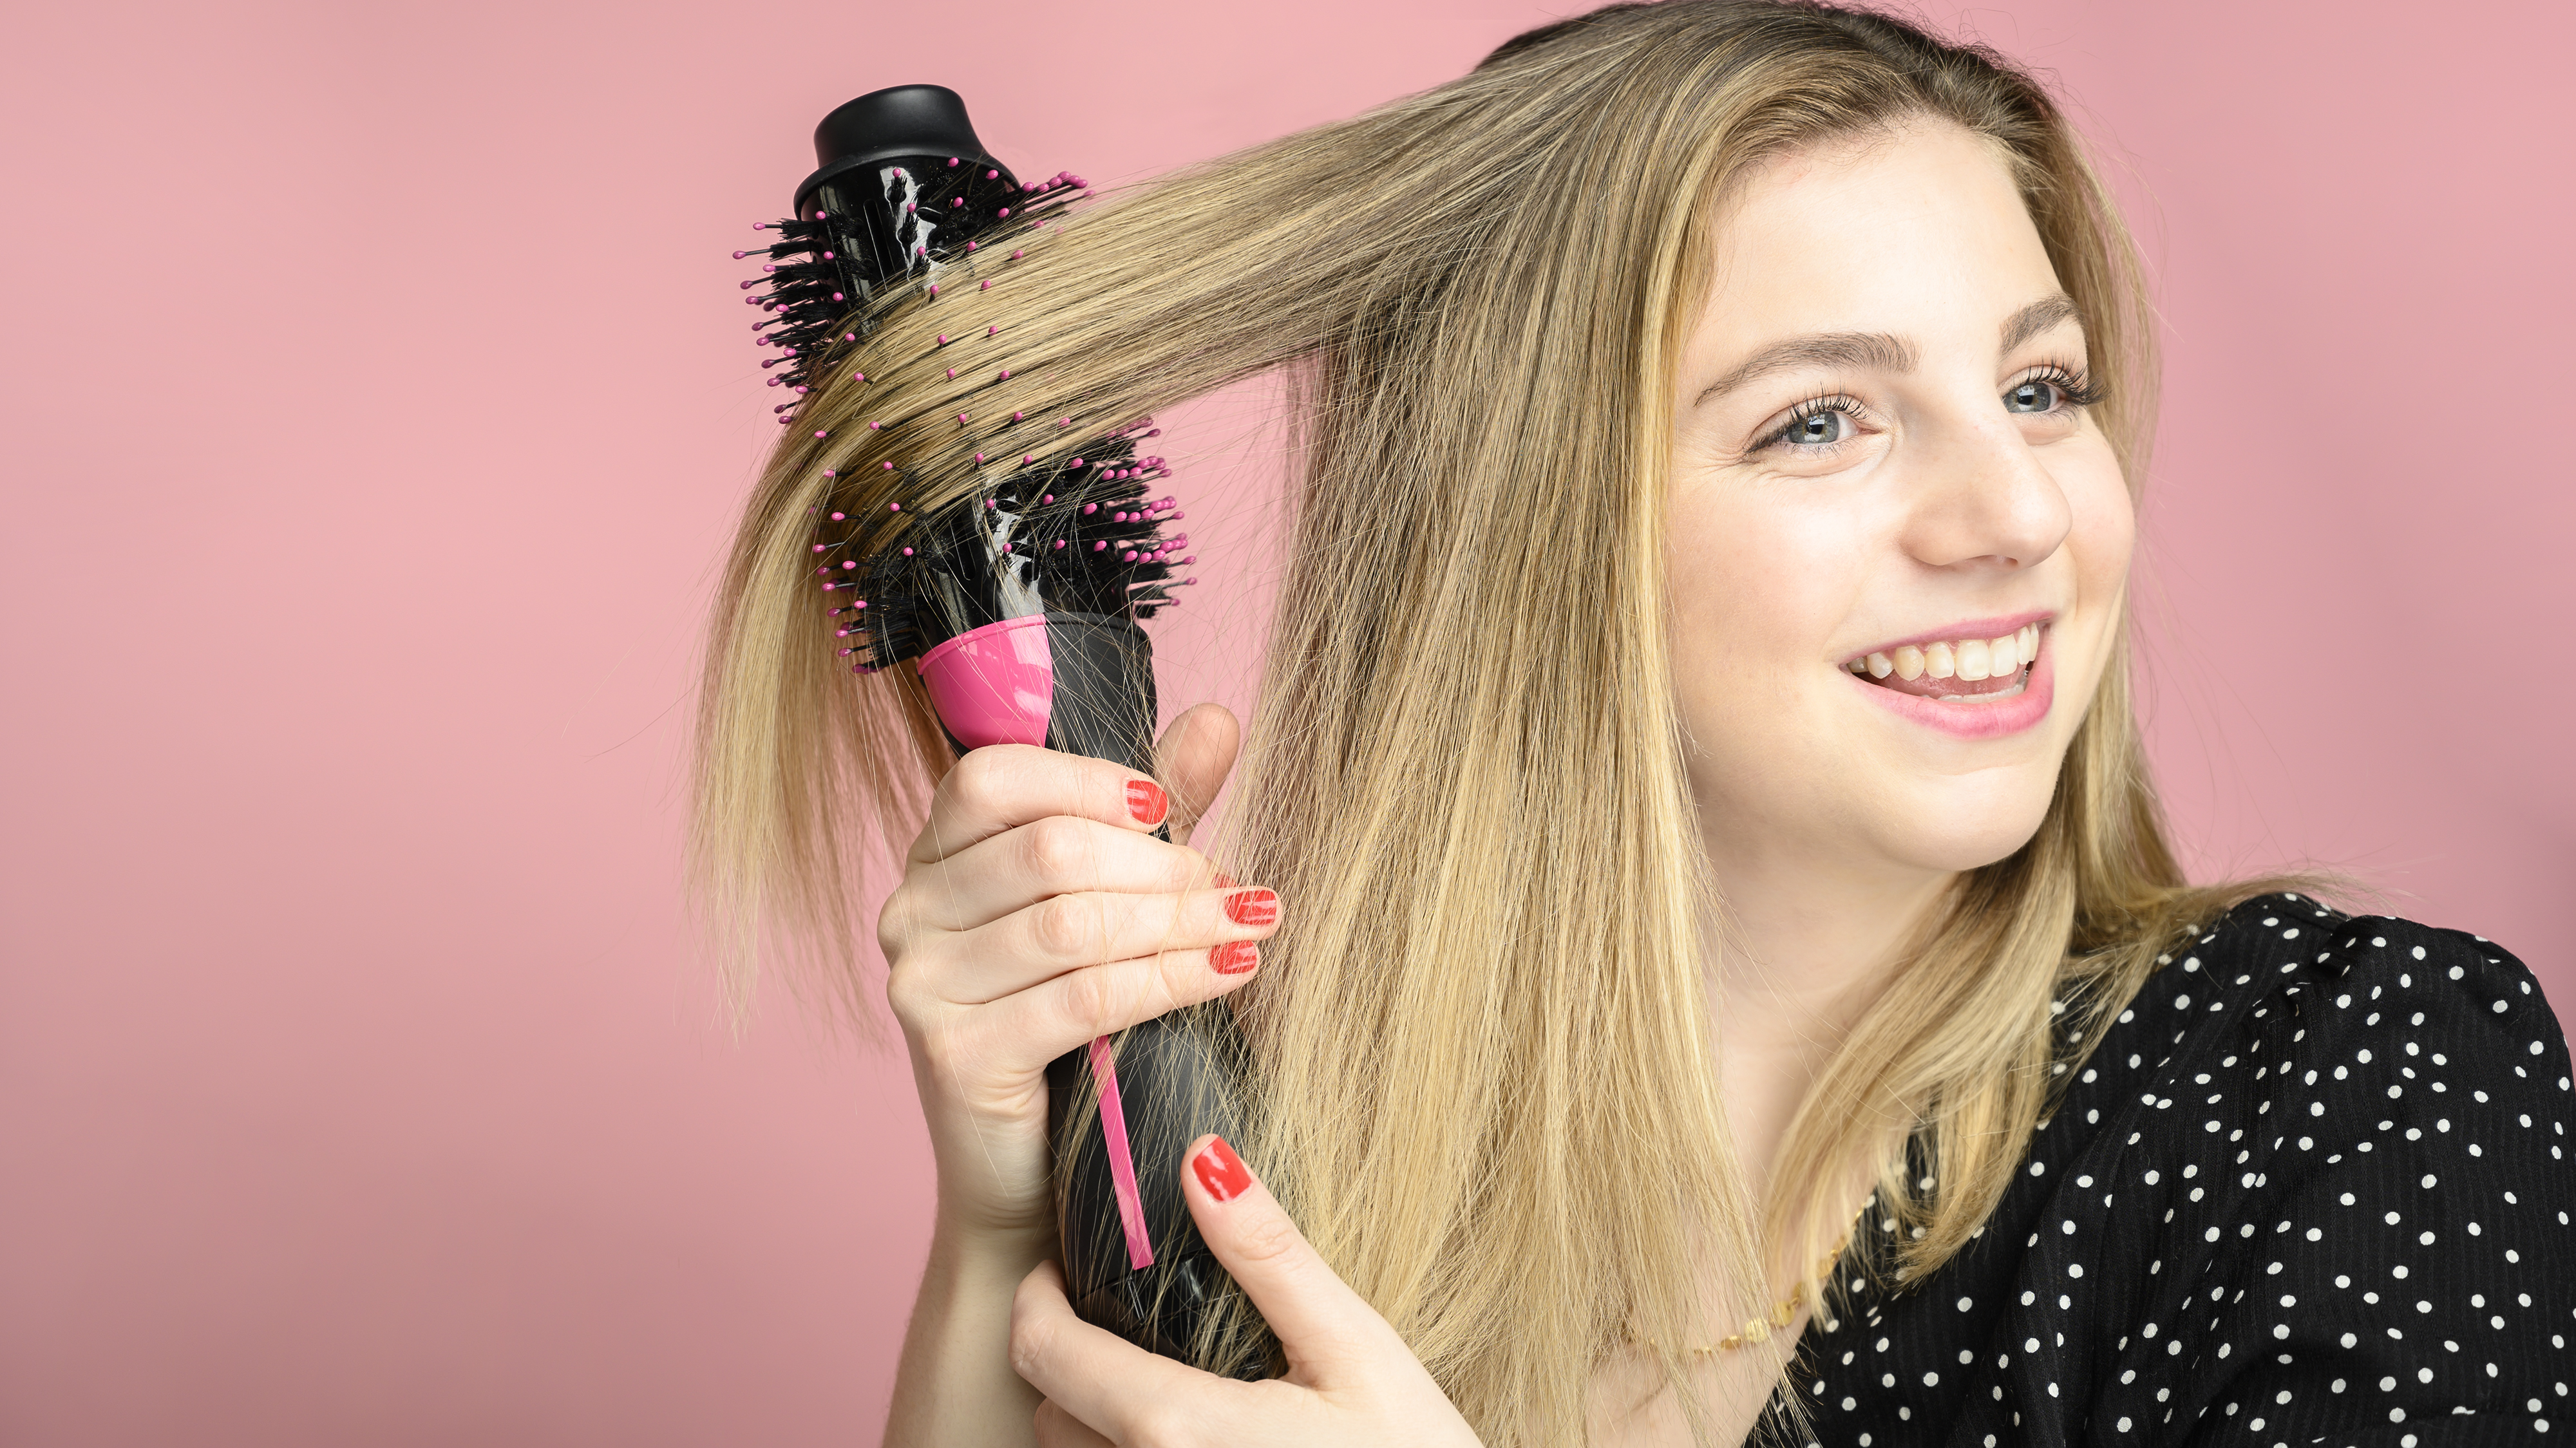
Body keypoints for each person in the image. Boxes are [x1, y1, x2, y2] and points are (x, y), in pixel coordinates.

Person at [692, 3, 2575, 1443]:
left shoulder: (2345, 1082)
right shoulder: (1285, 1182)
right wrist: (1008, 1227)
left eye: (2041, 382)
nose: (2015, 512)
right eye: (1820, 418)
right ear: (1529, 538)